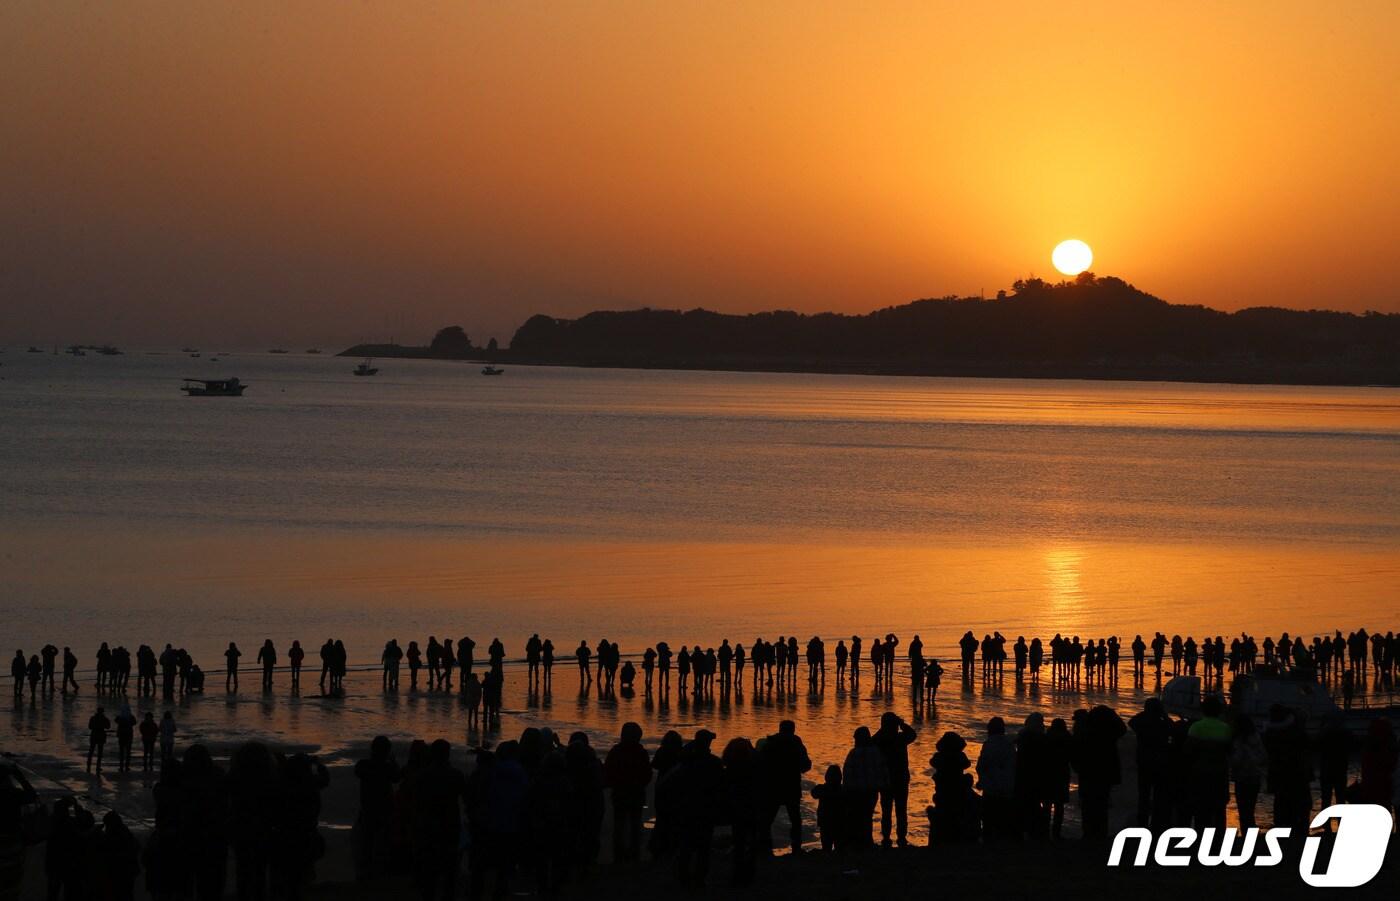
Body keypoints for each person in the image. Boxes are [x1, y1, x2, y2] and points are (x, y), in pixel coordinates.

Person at [1071, 705, 1126, 838]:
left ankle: (1088, 832)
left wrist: (1076, 766)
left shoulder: (1086, 729)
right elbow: (1122, 729)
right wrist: (1113, 715)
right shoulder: (1109, 733)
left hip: (1087, 771)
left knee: (1088, 803)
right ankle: (1100, 832)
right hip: (1104, 772)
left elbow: (1076, 748)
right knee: (1101, 803)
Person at [758, 719, 811, 855]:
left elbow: (760, 763)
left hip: (773, 786)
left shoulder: (771, 742)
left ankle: (765, 847)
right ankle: (796, 848)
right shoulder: (796, 742)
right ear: (793, 730)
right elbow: (805, 765)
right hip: (791, 786)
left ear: (780, 729)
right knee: (795, 819)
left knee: (768, 819)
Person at [353, 736, 400, 881]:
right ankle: (380, 872)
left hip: (368, 809)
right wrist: (393, 762)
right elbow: (396, 777)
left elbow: (358, 772)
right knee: (382, 842)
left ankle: (366, 872)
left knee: (366, 842)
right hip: (385, 811)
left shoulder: (363, 765)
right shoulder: (387, 768)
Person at [604, 722, 652, 862]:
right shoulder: (641, 752)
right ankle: (633, 853)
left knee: (620, 825)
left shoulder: (616, 751)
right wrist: (640, 784)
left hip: (621, 793)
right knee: (634, 825)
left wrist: (614, 784)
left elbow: (608, 770)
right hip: (635, 794)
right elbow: (647, 774)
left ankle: (619, 854)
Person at [1186, 694, 1232, 828]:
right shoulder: (1225, 728)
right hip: (1220, 774)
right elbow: (1230, 752)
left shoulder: (1196, 728)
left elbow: (1188, 752)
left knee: (1201, 810)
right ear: (1219, 710)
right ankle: (1219, 842)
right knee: (1219, 811)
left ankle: (1201, 840)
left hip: (1200, 774)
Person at [873, 712, 916, 847]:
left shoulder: (880, 740)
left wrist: (884, 729)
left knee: (886, 810)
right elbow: (913, 734)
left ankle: (886, 837)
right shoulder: (900, 738)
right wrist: (902, 724)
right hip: (900, 779)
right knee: (901, 810)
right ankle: (901, 837)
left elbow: (871, 740)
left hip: (886, 780)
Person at [1128, 697, 1172, 828]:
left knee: (1144, 794)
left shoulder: (1141, 722)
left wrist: (1146, 712)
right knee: (1159, 795)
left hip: (1144, 761)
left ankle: (1142, 823)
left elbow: (1132, 722)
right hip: (1160, 762)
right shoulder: (1163, 723)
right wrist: (1164, 714)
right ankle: (1157, 823)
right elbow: (1172, 728)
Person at [841, 726, 887, 848]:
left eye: (855, 739)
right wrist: (882, 786)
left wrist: (846, 790)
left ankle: (859, 842)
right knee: (867, 816)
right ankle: (868, 841)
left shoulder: (854, 753)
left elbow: (847, 773)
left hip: (857, 791)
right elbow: (882, 771)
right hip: (872, 791)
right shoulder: (876, 752)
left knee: (857, 817)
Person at [977, 717, 1017, 840]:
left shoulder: (988, 744)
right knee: (1004, 819)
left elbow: (981, 766)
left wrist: (982, 780)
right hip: (1007, 787)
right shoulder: (1009, 744)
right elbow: (1014, 765)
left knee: (989, 819)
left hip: (991, 787)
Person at [1230, 714, 1266, 828]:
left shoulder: (1239, 741)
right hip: (1255, 777)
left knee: (1243, 810)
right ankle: (1251, 832)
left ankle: (1246, 834)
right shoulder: (1257, 738)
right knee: (1250, 808)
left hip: (1242, 777)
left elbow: (1237, 760)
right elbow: (1264, 757)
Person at [811, 765, 846, 852]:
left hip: (825, 823)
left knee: (827, 847)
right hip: (839, 823)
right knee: (839, 847)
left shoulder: (822, 789)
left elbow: (814, 793)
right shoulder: (843, 790)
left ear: (826, 777)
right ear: (840, 778)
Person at [114, 704, 137, 772]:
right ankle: (126, 766)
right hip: (128, 735)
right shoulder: (130, 717)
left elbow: (116, 720)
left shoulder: (120, 717)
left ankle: (122, 766)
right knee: (128, 751)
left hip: (122, 735)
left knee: (122, 751)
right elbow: (134, 722)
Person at [87, 706, 111, 771]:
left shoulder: (93, 718)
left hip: (94, 735)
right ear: (103, 712)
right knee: (99, 753)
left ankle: (88, 766)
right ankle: (98, 767)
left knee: (91, 751)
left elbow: (90, 727)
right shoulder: (104, 718)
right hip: (101, 735)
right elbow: (108, 726)